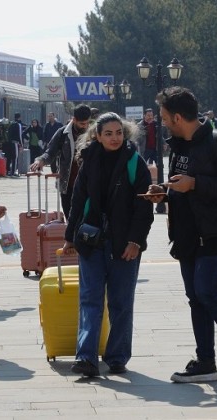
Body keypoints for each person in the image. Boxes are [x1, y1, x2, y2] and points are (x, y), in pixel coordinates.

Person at [145, 86, 217, 383]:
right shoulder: (178, 144)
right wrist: (164, 193)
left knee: (206, 291)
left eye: (166, 117)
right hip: (185, 233)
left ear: (178, 116)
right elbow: (181, 184)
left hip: (216, 231)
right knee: (195, 297)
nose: (163, 122)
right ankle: (206, 362)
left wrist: (194, 184)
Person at [60, 112, 153, 377]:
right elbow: (77, 201)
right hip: (92, 242)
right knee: (89, 299)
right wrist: (70, 237)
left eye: (119, 133)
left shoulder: (135, 163)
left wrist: (136, 241)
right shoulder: (89, 161)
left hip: (124, 244)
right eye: (108, 134)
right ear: (97, 136)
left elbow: (144, 207)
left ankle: (117, 356)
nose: (114, 138)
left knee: (121, 302)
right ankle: (86, 358)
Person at [30, 104, 92, 218]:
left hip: (90, 186)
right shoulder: (63, 133)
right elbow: (50, 152)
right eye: (82, 124)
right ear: (74, 120)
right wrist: (41, 161)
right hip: (68, 185)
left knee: (89, 221)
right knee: (71, 219)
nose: (86, 126)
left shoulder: (94, 133)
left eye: (88, 122)